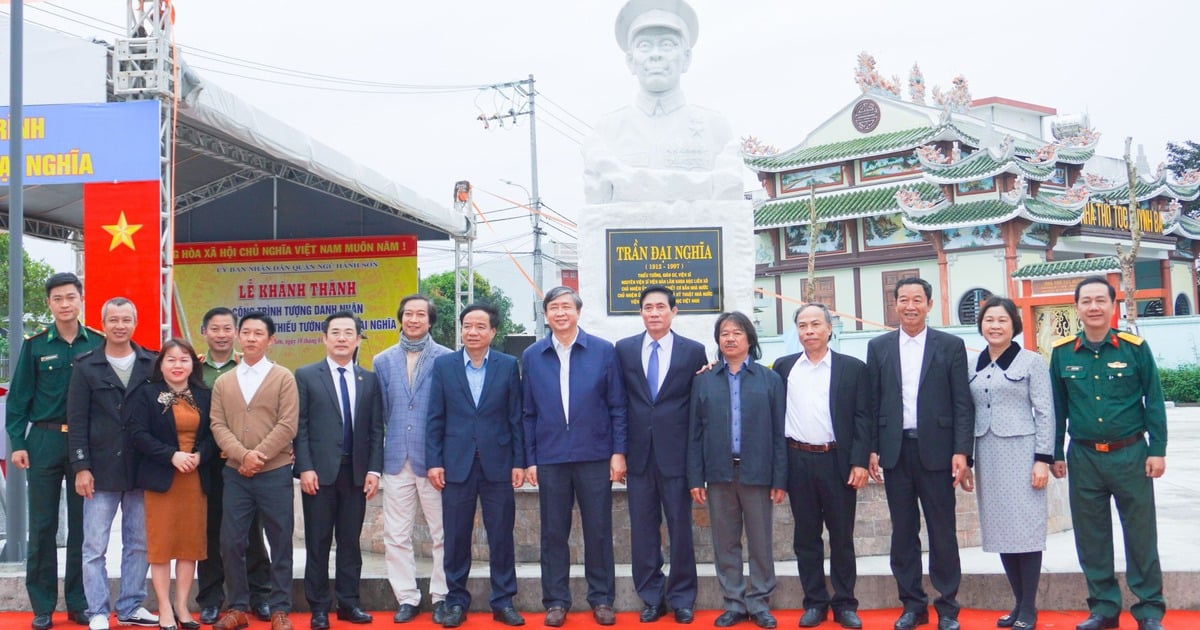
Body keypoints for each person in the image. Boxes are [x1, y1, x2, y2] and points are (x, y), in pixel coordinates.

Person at [1050, 277, 1167, 630]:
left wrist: (1157, 450)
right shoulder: (1062, 353)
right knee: (1092, 536)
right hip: (1083, 457)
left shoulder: (1134, 348)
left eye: (1101, 300)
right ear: (1077, 308)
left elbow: (1154, 401)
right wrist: (1055, 452)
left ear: (1112, 305)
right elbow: (1058, 409)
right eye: (1086, 301)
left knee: (1140, 535)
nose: (1094, 307)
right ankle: (1103, 608)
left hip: (1130, 454)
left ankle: (1148, 610)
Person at [866, 277, 974, 630]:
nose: (910, 306)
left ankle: (947, 606)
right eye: (903, 299)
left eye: (917, 299)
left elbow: (962, 403)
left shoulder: (950, 346)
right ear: (894, 305)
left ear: (929, 304)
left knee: (943, 531)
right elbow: (872, 403)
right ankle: (912, 604)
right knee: (903, 532)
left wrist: (962, 451)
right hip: (895, 452)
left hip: (939, 453)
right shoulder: (879, 347)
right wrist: (872, 448)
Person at [522, 286, 627, 627]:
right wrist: (531, 458)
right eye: (554, 307)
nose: (560, 313)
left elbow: (617, 407)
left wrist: (618, 452)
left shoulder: (602, 351)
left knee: (598, 530)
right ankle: (555, 600)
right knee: (553, 533)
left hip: (594, 455)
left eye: (566, 307)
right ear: (546, 314)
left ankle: (602, 599)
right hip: (551, 457)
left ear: (578, 312)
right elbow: (527, 413)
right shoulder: (533, 355)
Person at [5, 272, 102, 630]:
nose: (65, 304)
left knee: (83, 527)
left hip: (86, 446)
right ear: (49, 303)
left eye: (70, 297)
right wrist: (17, 443)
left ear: (81, 299)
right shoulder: (35, 345)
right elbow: (18, 400)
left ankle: (78, 602)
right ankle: (43, 605)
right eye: (57, 298)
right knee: (43, 526)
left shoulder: (98, 343)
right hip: (43, 442)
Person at [582, 0, 743, 204]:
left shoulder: (716, 128)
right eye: (645, 46)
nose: (655, 55)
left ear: (686, 58)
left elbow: (728, 208)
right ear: (630, 61)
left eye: (667, 44)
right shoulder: (606, 132)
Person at [426, 304, 526, 628]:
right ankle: (456, 601)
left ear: (493, 331)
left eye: (480, 326)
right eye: (468, 325)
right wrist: (434, 462)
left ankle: (503, 601)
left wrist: (520, 462)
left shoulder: (509, 365)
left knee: (501, 536)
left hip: (498, 464)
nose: (473, 331)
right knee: (456, 537)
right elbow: (435, 418)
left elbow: (516, 418)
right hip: (456, 465)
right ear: (461, 329)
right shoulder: (444, 366)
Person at [772, 303, 869, 630]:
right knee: (806, 537)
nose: (809, 331)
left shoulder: (852, 368)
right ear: (796, 331)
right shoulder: (783, 368)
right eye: (802, 325)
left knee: (842, 536)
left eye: (815, 324)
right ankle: (814, 602)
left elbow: (862, 418)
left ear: (830, 328)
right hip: (798, 460)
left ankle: (845, 603)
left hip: (837, 461)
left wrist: (859, 460)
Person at [615, 285, 707, 624]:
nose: (654, 313)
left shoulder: (693, 351)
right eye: (647, 307)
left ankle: (682, 597)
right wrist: (618, 452)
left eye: (660, 307)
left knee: (681, 528)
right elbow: (619, 404)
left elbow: (698, 406)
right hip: (638, 456)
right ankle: (652, 596)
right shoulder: (623, 350)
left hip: (677, 455)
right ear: (641, 313)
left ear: (673, 311)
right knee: (643, 529)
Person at [688, 311, 786, 630]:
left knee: (760, 542)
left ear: (749, 339)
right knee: (725, 542)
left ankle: (758, 602)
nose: (730, 338)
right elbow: (695, 433)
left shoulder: (769, 379)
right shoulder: (704, 380)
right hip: (718, 473)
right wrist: (695, 476)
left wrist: (779, 478)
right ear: (718, 340)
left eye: (737, 333)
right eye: (724, 333)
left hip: (757, 473)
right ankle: (733, 602)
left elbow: (778, 432)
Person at [67, 297, 159, 630]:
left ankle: (132, 605)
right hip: (100, 470)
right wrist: (81, 467)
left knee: (139, 542)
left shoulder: (152, 363)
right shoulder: (86, 365)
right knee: (94, 546)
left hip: (141, 468)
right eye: (113, 320)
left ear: (136, 322)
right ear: (102, 324)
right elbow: (76, 421)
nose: (120, 326)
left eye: (126, 320)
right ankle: (98, 611)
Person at [208, 312, 299, 630]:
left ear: (270, 340)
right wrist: (241, 456)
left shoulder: (283, 377)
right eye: (245, 332)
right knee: (231, 541)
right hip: (236, 474)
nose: (250, 338)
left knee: (280, 539)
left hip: (274, 473)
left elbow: (288, 424)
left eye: (258, 333)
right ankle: (237, 607)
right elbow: (217, 424)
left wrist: (258, 456)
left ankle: (280, 609)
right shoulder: (224, 381)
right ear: (238, 337)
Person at [294, 311, 384, 629]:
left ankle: (349, 603)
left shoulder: (369, 379)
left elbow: (375, 429)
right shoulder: (306, 376)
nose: (342, 338)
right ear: (325, 338)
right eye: (336, 332)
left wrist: (374, 470)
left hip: (356, 474)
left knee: (350, 541)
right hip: (318, 474)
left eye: (349, 332)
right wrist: (304, 467)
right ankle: (318, 607)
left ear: (358, 339)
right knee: (318, 542)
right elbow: (300, 427)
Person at [969, 297, 1053, 630]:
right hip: (987, 452)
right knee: (1003, 531)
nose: (995, 326)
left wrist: (1042, 459)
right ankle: (1017, 604)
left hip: (1022, 452)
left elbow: (1045, 412)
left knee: (1026, 530)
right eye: (989, 320)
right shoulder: (973, 364)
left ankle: (1029, 608)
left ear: (1013, 325)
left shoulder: (1031, 361)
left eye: (1002, 320)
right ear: (981, 325)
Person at [126, 338, 217, 630]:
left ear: (193, 364)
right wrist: (171, 456)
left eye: (184, 360)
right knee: (162, 545)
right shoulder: (147, 393)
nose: (178, 365)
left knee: (190, 545)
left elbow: (215, 433)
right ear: (161, 364)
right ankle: (164, 607)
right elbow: (138, 433)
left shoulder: (205, 394)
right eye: (171, 360)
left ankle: (183, 606)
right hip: (162, 479)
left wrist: (200, 455)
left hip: (195, 478)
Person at [373, 294, 451, 624]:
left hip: (433, 460)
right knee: (395, 534)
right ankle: (406, 596)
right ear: (400, 318)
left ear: (431, 321)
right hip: (395, 459)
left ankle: (442, 596)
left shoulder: (447, 359)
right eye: (408, 314)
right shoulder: (382, 360)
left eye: (421, 314)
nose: (414, 319)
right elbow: (379, 416)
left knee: (443, 533)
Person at [194, 307, 273, 625]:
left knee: (251, 532)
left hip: (243, 460)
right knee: (211, 530)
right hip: (207, 460)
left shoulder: (247, 367)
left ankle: (261, 596)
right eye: (215, 328)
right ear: (204, 332)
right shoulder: (193, 370)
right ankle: (212, 599)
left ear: (237, 333)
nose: (222, 334)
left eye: (228, 328)